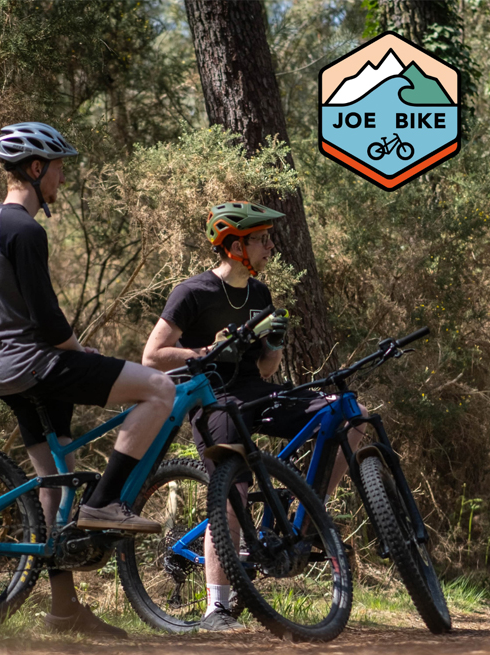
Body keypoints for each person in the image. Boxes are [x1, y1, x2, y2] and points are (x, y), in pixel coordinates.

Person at [0, 122, 177, 638]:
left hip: (5, 370)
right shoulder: (25, 229)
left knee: (54, 483)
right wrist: (76, 349)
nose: (62, 178)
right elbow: (46, 318)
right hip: (36, 363)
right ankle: (106, 502)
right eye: (58, 167)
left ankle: (63, 610)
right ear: (36, 167)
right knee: (159, 388)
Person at [142, 201, 366, 632]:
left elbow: (265, 370)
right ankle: (217, 609)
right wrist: (208, 351)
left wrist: (275, 345)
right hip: (214, 400)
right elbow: (152, 356)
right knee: (232, 490)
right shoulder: (193, 293)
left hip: (257, 393)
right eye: (262, 239)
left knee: (348, 418)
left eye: (268, 238)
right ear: (234, 246)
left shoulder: (260, 294)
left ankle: (309, 515)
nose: (271, 246)